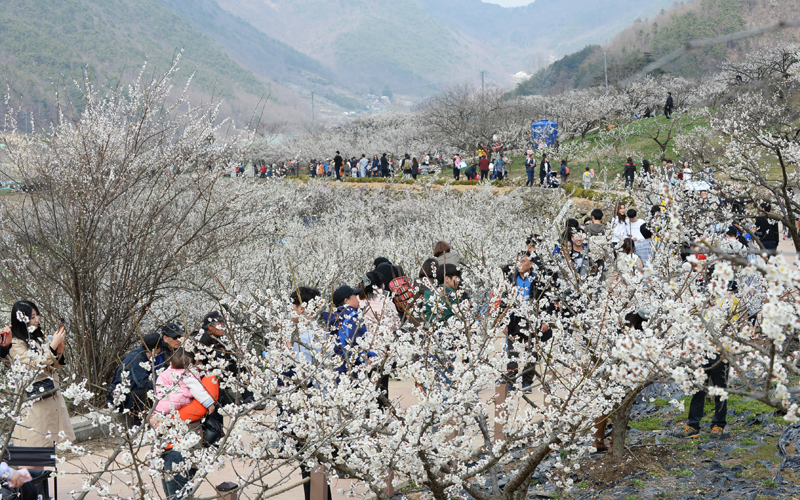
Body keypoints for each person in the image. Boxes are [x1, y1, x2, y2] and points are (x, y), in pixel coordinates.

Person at [7, 301, 75, 447]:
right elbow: (34, 364)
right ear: (21, 318)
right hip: (34, 402)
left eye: (37, 315)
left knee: (51, 447)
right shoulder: (15, 343)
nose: (37, 320)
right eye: (32, 317)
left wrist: (58, 350)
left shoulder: (37, 337)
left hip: (51, 396)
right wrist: (52, 347)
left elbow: (51, 367)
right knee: (36, 446)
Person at [106, 332, 166, 424]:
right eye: (160, 347)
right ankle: (138, 424)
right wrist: (163, 381)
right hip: (122, 398)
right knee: (147, 392)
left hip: (129, 393)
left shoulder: (140, 354)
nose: (161, 350)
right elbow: (143, 383)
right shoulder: (137, 359)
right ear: (155, 349)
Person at [676, 353, 728, 439]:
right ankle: (693, 425)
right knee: (697, 390)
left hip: (719, 352)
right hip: (700, 353)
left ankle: (718, 425)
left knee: (720, 391)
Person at [154, 348, 215, 416]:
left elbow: (158, 387)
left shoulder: (164, 374)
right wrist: (209, 403)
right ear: (191, 366)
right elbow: (197, 390)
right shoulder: (187, 375)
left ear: (171, 364)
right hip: (178, 403)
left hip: (159, 406)